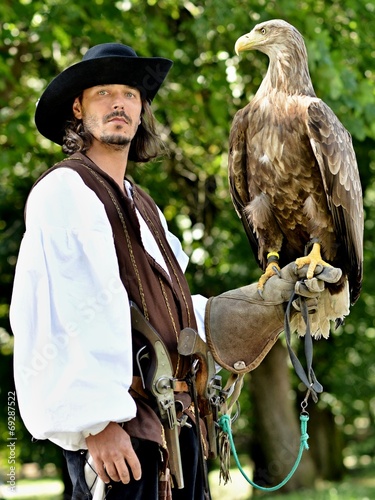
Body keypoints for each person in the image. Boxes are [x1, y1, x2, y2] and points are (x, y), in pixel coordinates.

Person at [10, 43, 342, 500]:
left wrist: (266, 303)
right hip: (120, 440)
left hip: (179, 432)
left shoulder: (143, 205)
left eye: (129, 94)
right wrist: (97, 424)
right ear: (77, 108)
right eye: (103, 93)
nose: (118, 103)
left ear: (141, 110)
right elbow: (55, 317)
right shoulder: (63, 191)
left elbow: (173, 313)